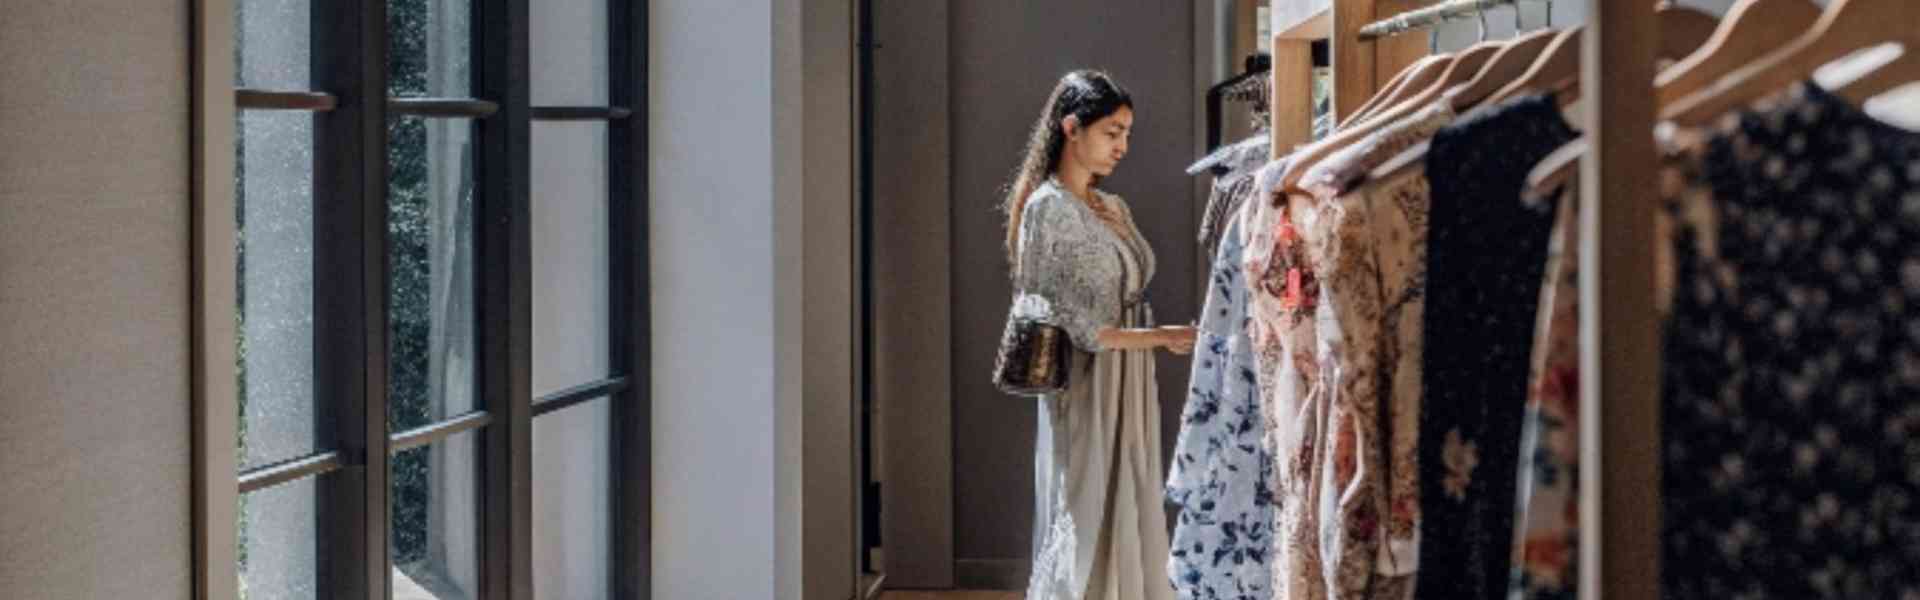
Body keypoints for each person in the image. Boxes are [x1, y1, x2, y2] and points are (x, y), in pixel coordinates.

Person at [1005, 69, 1195, 600]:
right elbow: (1081, 327)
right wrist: (1160, 337)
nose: (1123, 147)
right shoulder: (1047, 210)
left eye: (1128, 133)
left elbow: (1130, 288)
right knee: (1085, 502)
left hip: (1127, 375)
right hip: (1088, 382)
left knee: (1126, 494)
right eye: (1112, 132)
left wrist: (1156, 338)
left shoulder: (1112, 206)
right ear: (1071, 127)